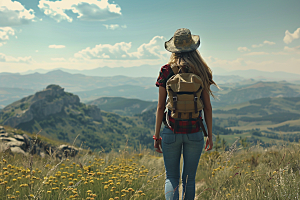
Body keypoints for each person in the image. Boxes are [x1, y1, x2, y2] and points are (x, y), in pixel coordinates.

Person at [153, 28, 218, 200]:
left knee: (171, 177)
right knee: (189, 180)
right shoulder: (201, 71)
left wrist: (157, 136)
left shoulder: (166, 70)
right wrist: (209, 135)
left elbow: (160, 107)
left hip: (171, 131)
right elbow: (208, 107)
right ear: (194, 47)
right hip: (195, 131)